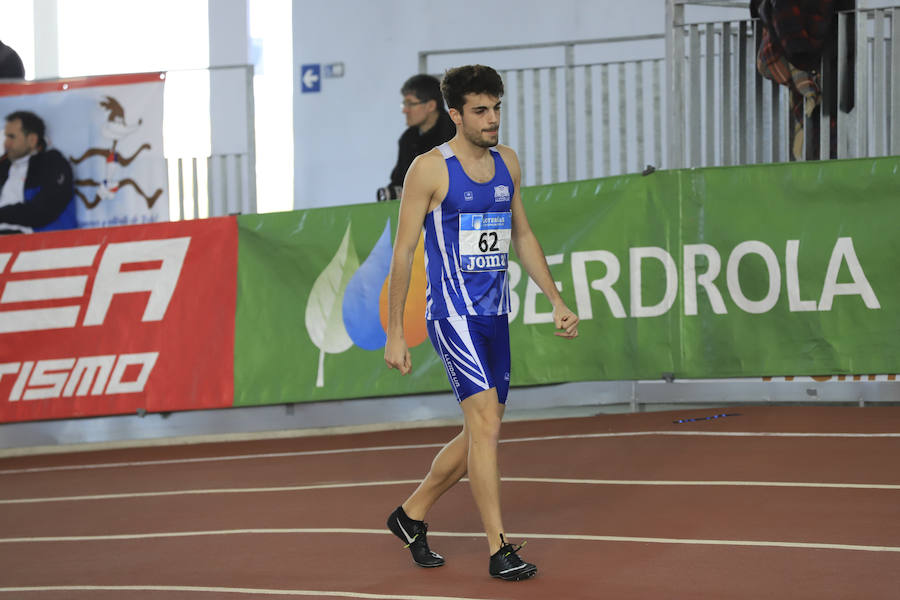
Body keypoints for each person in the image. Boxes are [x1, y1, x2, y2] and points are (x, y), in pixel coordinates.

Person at [383, 64, 579, 581]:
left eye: (497, 108)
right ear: (454, 114)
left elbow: (523, 236)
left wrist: (556, 299)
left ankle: (411, 514)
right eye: (481, 111)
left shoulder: (507, 163)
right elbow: (403, 254)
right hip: (453, 315)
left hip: (495, 314)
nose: (493, 120)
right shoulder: (429, 169)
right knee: (487, 426)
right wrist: (396, 332)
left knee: (480, 431)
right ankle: (499, 547)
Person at [377, 74, 456, 202]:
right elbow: (399, 180)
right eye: (404, 104)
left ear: (430, 106)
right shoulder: (407, 138)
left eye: (410, 104)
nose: (405, 111)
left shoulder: (456, 134)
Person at [0, 110, 77, 234]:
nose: (6, 143)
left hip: (41, 244)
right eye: (6, 136)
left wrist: (2, 215)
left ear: (32, 140)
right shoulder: (4, 166)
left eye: (12, 137)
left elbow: (42, 210)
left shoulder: (52, 163)